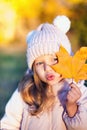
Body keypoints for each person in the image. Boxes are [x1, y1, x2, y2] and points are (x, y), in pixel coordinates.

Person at [1, 15, 87, 130]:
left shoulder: (78, 90)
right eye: (40, 63)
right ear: (33, 68)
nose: (47, 68)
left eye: (54, 59)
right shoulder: (25, 91)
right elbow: (8, 124)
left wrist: (71, 107)